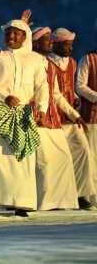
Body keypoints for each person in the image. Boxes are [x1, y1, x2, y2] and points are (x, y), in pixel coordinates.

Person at [0, 18, 48, 217]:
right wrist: (4, 96)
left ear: (24, 37)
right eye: (8, 32)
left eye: (15, 33)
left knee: (22, 159)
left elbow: (42, 85)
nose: (10, 36)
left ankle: (20, 203)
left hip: (23, 113)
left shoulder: (35, 59)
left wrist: (42, 108)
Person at [30, 25, 81, 210]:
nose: (50, 43)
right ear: (35, 44)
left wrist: (75, 116)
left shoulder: (50, 65)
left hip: (54, 120)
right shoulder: (28, 61)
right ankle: (43, 203)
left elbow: (57, 95)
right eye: (46, 40)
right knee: (44, 162)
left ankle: (61, 201)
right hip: (38, 118)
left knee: (64, 158)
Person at [48, 28, 96, 209]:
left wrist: (76, 99)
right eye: (67, 45)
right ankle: (58, 197)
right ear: (57, 44)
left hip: (71, 118)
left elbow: (71, 90)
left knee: (83, 150)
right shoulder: (46, 62)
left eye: (71, 45)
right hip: (55, 118)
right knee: (59, 158)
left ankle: (81, 194)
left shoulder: (73, 63)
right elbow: (55, 94)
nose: (70, 48)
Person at [77, 38, 97, 205]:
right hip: (93, 118)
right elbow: (80, 86)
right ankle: (92, 198)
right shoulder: (88, 59)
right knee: (92, 159)